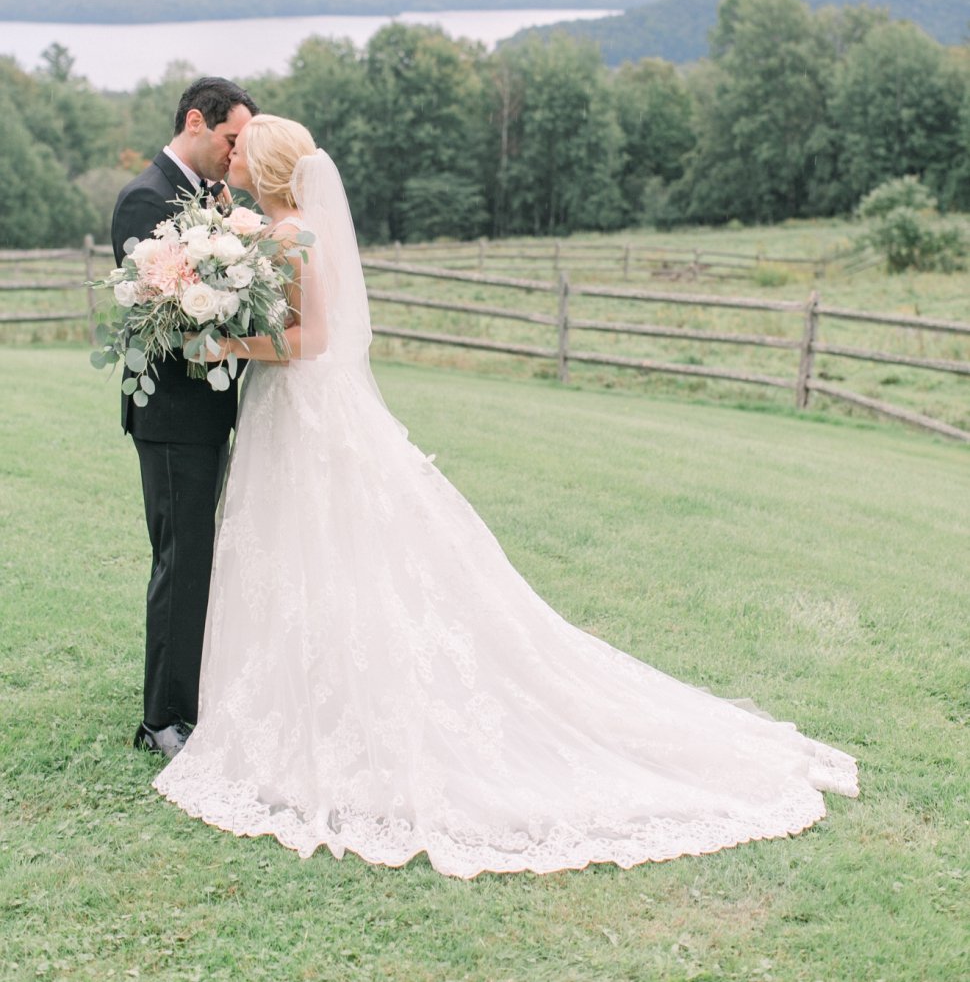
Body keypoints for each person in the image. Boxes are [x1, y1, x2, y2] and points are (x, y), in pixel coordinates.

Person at [155, 115, 858, 877]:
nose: (239, 159)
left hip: (303, 407)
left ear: (271, 168)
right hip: (286, 411)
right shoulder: (277, 230)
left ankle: (329, 710)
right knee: (299, 552)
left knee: (326, 544)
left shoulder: (292, 238)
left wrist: (226, 341)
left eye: (247, 153)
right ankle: (295, 699)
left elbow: (311, 339)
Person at [111, 76, 258, 759]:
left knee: (200, 558)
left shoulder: (206, 200)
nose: (236, 153)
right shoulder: (144, 198)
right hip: (170, 414)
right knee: (181, 559)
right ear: (196, 121)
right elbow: (161, 312)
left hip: (206, 413)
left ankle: (187, 700)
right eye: (231, 138)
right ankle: (163, 720)